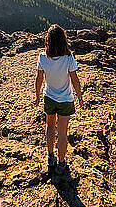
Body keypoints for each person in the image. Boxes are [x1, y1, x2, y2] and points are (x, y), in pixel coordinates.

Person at [34, 24, 83, 176]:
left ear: (48, 40)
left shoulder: (43, 57)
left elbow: (39, 79)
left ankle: (50, 157)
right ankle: (61, 163)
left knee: (49, 125)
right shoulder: (69, 58)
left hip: (49, 97)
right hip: (66, 100)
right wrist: (80, 97)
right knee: (62, 133)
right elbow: (75, 80)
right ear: (63, 40)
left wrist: (37, 96)